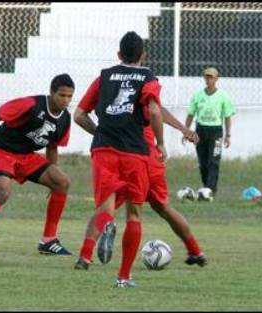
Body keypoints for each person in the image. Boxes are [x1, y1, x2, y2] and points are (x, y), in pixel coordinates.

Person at [73, 31, 165, 288]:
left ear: (118, 54)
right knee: (134, 214)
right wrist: (161, 143)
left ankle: (96, 240)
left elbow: (79, 115)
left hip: (104, 150)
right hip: (135, 151)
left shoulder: (104, 76)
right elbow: (155, 110)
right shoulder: (148, 77)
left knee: (105, 208)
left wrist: (100, 132)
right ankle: (123, 277)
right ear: (142, 55)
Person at [0, 74, 74, 256]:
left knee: (62, 182)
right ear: (52, 93)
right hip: (2, 151)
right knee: (2, 192)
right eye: (62, 95)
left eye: (69, 96)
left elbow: (52, 147)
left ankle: (48, 240)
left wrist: (53, 174)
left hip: (26, 156)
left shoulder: (65, 119)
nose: (66, 100)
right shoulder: (31, 104)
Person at [97, 107, 208, 268]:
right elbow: (157, 110)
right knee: (165, 208)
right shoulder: (144, 89)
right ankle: (195, 251)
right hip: (152, 161)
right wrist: (183, 129)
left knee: (111, 208)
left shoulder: (120, 92)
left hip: (131, 159)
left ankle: (87, 255)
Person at [185, 67, 235, 197]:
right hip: (200, 131)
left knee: (214, 161)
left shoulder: (223, 96)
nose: (208, 79)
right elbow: (191, 114)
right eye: (206, 77)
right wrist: (186, 131)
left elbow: (228, 116)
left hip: (216, 131)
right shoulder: (198, 95)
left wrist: (228, 135)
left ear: (216, 79)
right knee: (203, 162)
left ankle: (211, 190)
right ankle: (206, 187)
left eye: (211, 77)